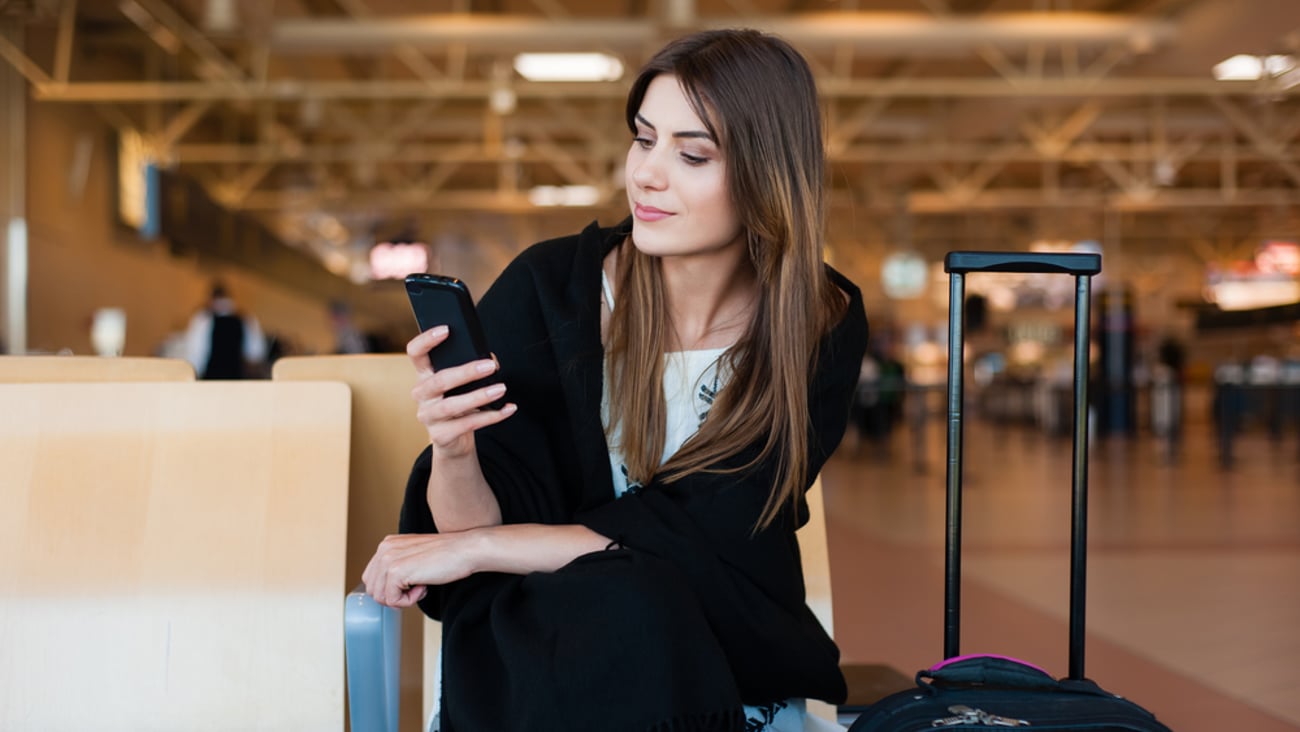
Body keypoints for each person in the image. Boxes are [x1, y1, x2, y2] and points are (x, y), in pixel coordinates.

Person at [363, 29, 868, 732]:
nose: (648, 175)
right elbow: (477, 536)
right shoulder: (548, 291)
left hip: (726, 658)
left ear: (767, 174)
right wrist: (455, 452)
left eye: (692, 154)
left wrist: (481, 546)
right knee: (611, 600)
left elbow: (699, 530)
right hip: (557, 655)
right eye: (643, 139)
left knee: (634, 593)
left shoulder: (815, 321)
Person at [183, 282, 267, 379]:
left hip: (211, 378)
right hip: (236, 378)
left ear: (211, 299)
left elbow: (195, 354)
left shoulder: (202, 319)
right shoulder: (245, 319)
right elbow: (256, 353)